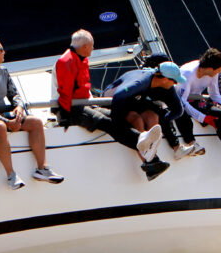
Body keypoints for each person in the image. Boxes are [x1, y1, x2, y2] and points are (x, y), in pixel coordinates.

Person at [52, 29, 166, 181]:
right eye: (91, 46)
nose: (93, 48)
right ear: (84, 46)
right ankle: (146, 148)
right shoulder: (66, 61)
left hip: (85, 104)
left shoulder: (81, 59)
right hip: (70, 109)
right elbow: (65, 93)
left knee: (117, 117)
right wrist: (65, 120)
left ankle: (149, 158)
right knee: (107, 122)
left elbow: (83, 89)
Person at [0, 34, 63, 189]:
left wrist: (18, 108)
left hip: (1, 116)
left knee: (36, 122)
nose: (4, 52)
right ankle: (11, 175)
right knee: (0, 127)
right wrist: (8, 122)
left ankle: (42, 168)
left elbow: (15, 95)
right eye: (1, 49)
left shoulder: (3, 71)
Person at [104, 61, 186, 179]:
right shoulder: (140, 82)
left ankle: (151, 155)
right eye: (175, 81)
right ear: (164, 79)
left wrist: (163, 121)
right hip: (115, 99)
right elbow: (118, 96)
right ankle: (149, 162)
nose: (176, 84)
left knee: (153, 116)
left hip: (134, 99)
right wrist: (118, 124)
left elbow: (178, 110)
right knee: (137, 119)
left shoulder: (167, 87)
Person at [142, 52, 204, 160]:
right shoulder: (144, 77)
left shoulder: (166, 82)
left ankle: (191, 142)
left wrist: (172, 112)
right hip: (144, 105)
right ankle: (176, 147)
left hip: (159, 103)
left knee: (180, 112)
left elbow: (176, 105)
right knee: (163, 114)